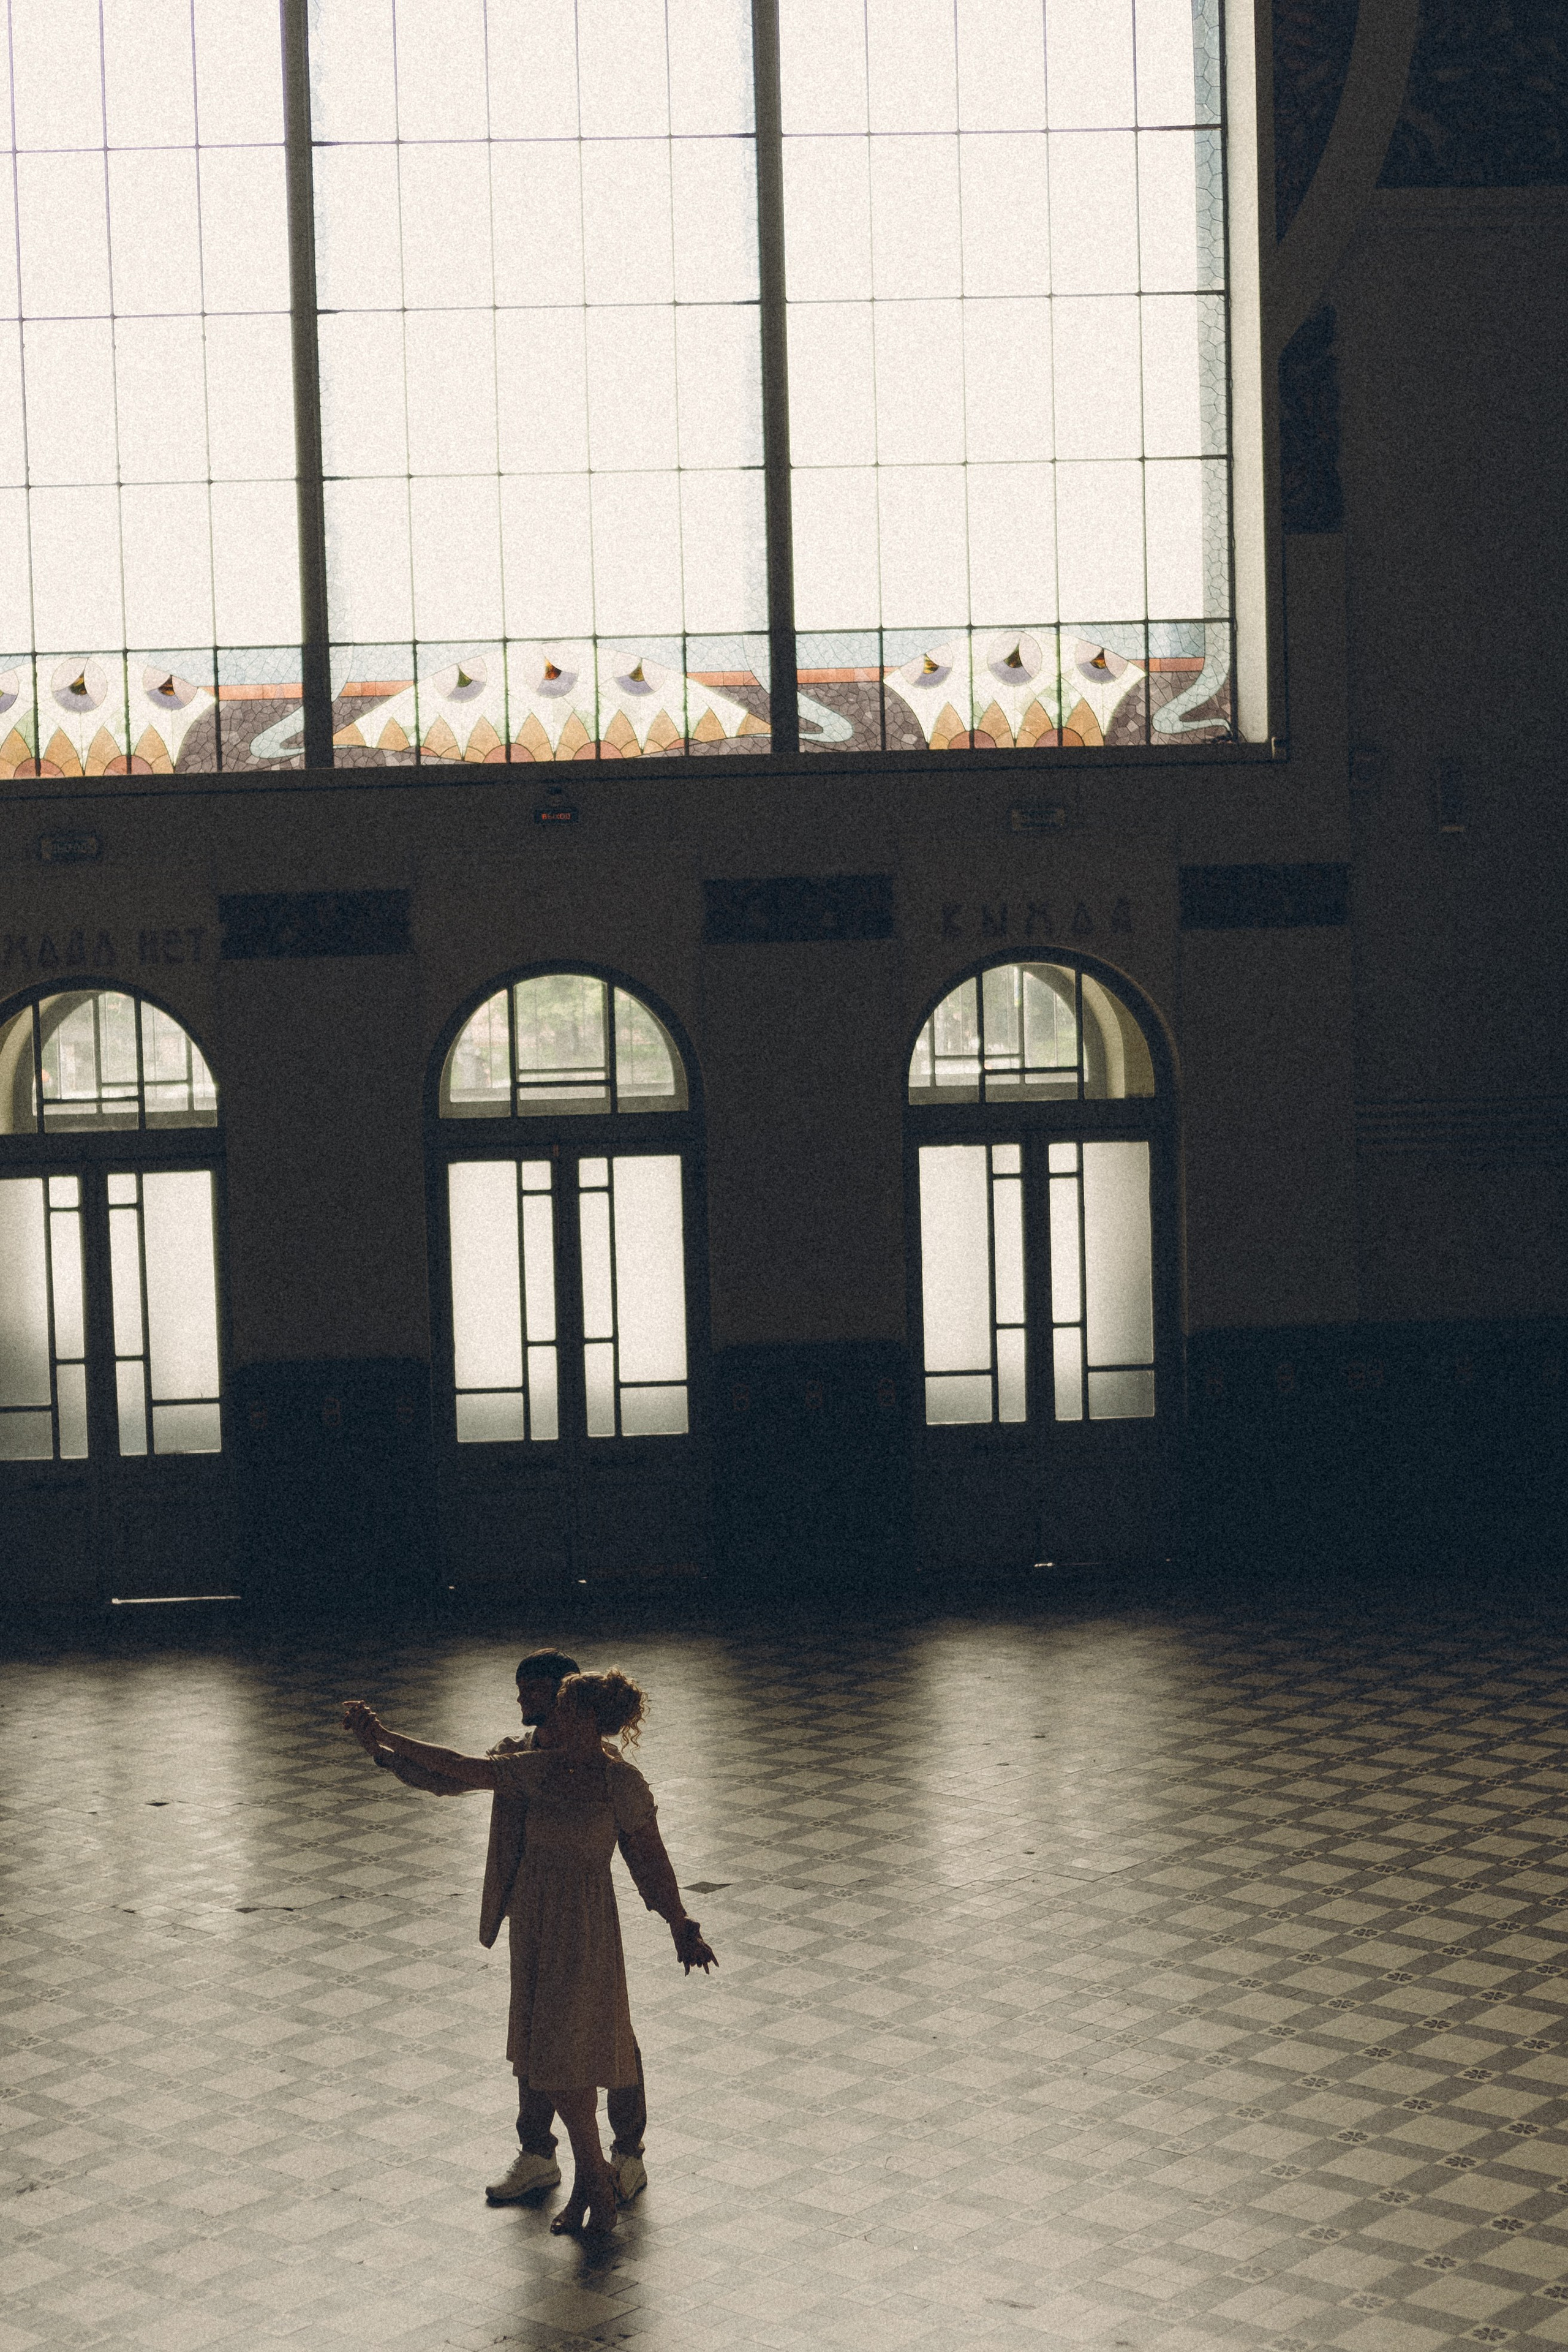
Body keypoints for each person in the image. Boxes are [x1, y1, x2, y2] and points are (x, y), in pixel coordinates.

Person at [342, 1667, 714, 2235]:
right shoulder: (537, 1767)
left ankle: (603, 2180)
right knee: (550, 2059)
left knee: (575, 2057)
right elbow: (460, 1770)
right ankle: (589, 2191)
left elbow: (651, 1862)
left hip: (585, 1927)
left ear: (587, 1718)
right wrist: (386, 1741)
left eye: (561, 1708)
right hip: (536, 1924)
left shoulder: (622, 1784)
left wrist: (679, 1922)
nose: (550, 1718)